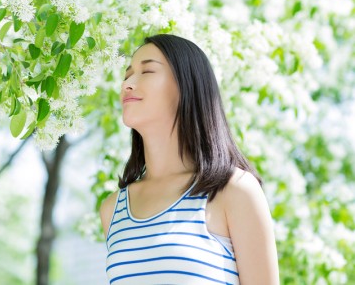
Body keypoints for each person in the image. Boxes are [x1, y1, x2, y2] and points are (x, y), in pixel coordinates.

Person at [99, 34, 279, 285]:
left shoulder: (234, 190)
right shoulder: (113, 209)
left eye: (147, 71)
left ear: (187, 86)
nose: (128, 83)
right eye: (127, 75)